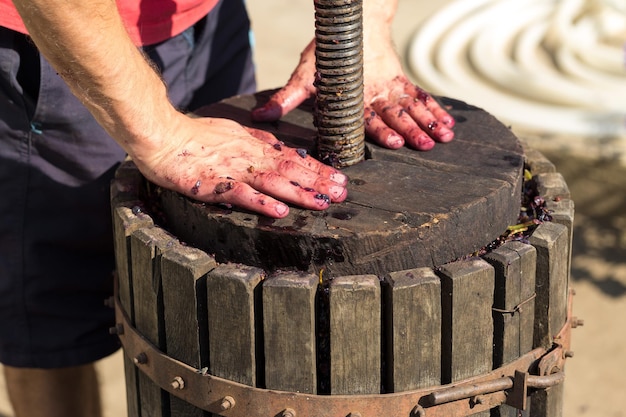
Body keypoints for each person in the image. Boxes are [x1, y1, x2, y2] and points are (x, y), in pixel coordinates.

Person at [0, 0, 455, 415]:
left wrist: (368, 23)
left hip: (209, 22)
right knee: (49, 326)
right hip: (53, 37)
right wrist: (161, 133)